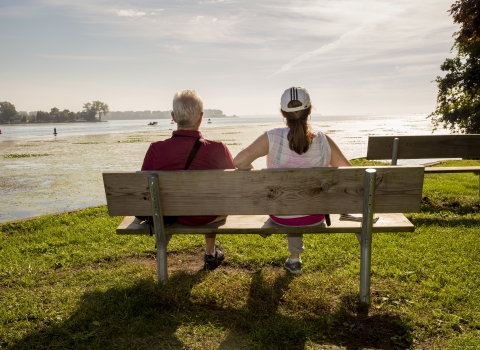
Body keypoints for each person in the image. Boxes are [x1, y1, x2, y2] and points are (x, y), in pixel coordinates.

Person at [233, 86, 351, 274]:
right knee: (300, 202)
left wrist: (260, 178)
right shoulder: (323, 140)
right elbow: (350, 173)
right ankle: (294, 258)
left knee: (290, 203)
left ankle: (295, 258)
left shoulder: (272, 137)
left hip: (280, 214)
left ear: (282, 112)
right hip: (315, 216)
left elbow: (239, 161)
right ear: (310, 109)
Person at [141, 89, 235, 271]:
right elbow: (232, 188)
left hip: (169, 214)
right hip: (209, 215)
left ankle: (164, 255)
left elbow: (144, 191)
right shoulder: (218, 148)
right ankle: (210, 252)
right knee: (212, 200)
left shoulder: (155, 149)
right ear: (200, 117)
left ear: (173, 117)